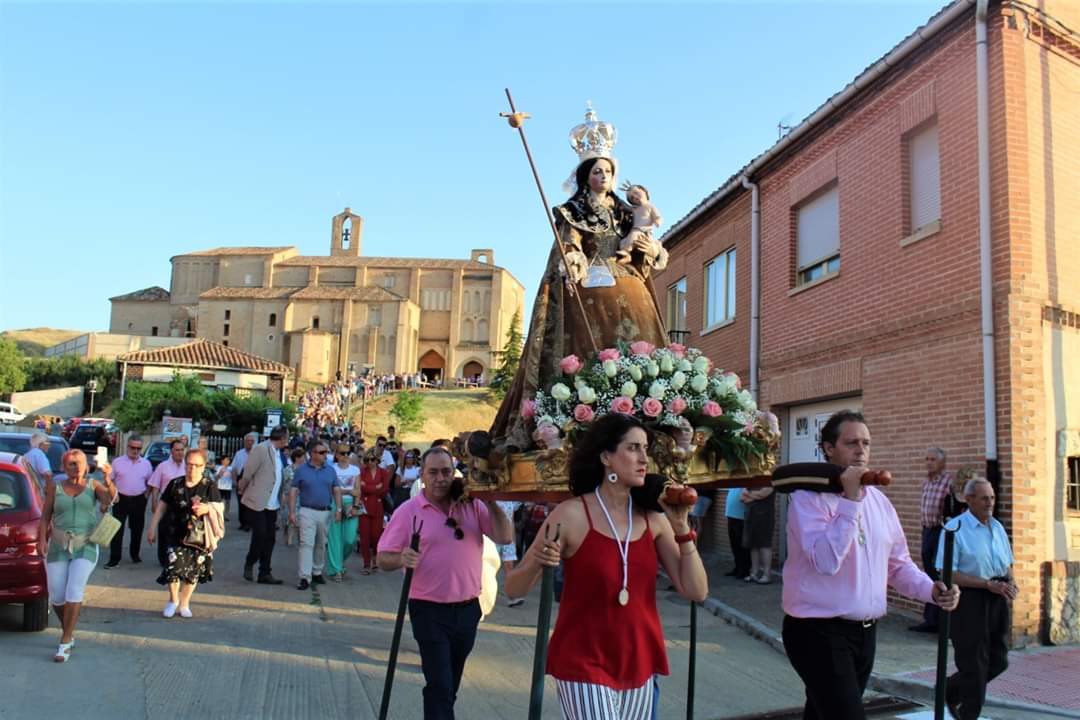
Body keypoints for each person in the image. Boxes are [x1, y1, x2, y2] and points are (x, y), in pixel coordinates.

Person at [488, 110, 669, 453]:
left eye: (608, 171)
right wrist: (573, 258)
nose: (604, 176)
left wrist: (650, 248)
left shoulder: (626, 212)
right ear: (586, 176)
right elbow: (569, 243)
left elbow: (644, 241)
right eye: (597, 171)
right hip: (592, 288)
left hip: (629, 284)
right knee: (591, 350)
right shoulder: (573, 211)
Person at [506, 414, 708, 720]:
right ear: (606, 457)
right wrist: (538, 560)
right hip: (582, 659)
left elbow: (696, 591)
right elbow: (513, 589)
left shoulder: (654, 519)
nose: (644, 458)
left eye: (645, 449)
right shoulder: (570, 515)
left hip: (639, 658)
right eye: (633, 448)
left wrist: (681, 528)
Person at [781, 410, 960, 720]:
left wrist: (932, 590)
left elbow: (898, 565)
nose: (860, 450)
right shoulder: (807, 499)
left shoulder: (879, 501)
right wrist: (850, 502)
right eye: (851, 443)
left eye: (866, 443)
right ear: (828, 448)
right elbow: (825, 561)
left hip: (865, 633)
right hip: (817, 631)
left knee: (822, 714)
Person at [376, 447, 514, 720]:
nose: (440, 478)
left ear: (454, 474)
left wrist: (490, 501)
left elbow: (505, 536)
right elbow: (382, 558)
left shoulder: (472, 505)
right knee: (440, 685)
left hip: (468, 610)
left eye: (446, 472)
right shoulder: (408, 512)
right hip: (428, 610)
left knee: (450, 684)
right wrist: (401, 557)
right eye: (433, 472)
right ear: (422, 475)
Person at [937, 478, 1016, 720]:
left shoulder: (997, 527)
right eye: (984, 498)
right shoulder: (955, 529)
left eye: (992, 498)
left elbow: (1007, 563)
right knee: (974, 664)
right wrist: (986, 584)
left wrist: (1011, 583)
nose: (989, 503)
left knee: (999, 660)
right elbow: (947, 573)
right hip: (969, 599)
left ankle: (950, 689)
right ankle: (968, 715)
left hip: (997, 598)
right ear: (969, 499)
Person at [37, 449, 117, 662]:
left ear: (87, 466)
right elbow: (45, 517)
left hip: (86, 545)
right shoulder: (55, 487)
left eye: (80, 462)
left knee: (74, 589)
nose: (76, 467)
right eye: (71, 463)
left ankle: (65, 641)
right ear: (63, 467)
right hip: (58, 545)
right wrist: (41, 540)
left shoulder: (93, 485)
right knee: (57, 596)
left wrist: (108, 479)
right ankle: (69, 630)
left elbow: (111, 499)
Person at [147, 448, 224, 618]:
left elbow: (218, 508)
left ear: (203, 466)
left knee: (192, 571)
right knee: (173, 567)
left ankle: (184, 603)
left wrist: (207, 508)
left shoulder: (209, 486)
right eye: (189, 464)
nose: (192, 468)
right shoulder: (175, 484)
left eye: (197, 465)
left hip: (199, 537)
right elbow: (162, 506)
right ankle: (173, 600)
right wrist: (152, 527)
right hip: (174, 532)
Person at [910, 447, 955, 633]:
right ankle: (930, 620)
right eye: (927, 459)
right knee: (928, 574)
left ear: (942, 462)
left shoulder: (949, 482)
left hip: (940, 532)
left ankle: (944, 623)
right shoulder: (926, 482)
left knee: (939, 574)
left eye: (933, 459)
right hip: (927, 530)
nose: (929, 463)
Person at [288, 440, 344, 590]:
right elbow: (293, 490)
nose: (325, 455)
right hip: (307, 511)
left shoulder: (330, 470)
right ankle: (304, 577)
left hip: (325, 512)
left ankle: (317, 571)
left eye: (326, 452)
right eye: (321, 452)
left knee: (321, 543)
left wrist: (339, 510)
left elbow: (336, 490)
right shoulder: (301, 470)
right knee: (306, 544)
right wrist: (292, 512)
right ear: (312, 454)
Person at [237, 426, 290, 585]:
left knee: (270, 538)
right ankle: (250, 561)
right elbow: (248, 472)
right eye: (287, 437)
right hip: (258, 500)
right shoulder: (261, 449)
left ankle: (265, 572)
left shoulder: (279, 453)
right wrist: (242, 488)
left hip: (272, 503)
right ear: (282, 438)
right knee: (260, 534)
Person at [105, 434, 153, 568]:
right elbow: (109, 481)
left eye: (138, 448)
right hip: (120, 499)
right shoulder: (117, 462)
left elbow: (150, 482)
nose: (135, 450)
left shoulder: (146, 464)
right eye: (133, 447)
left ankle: (135, 554)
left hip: (139, 499)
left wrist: (146, 495)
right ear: (127, 446)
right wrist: (110, 497)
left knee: (137, 529)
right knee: (116, 529)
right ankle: (114, 559)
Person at [148, 440, 186, 568]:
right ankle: (163, 559)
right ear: (171, 451)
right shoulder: (163, 466)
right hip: (166, 503)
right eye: (177, 450)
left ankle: (179, 557)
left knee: (181, 531)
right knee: (165, 530)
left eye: (182, 450)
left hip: (183, 504)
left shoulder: (188, 466)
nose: (180, 452)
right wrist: (154, 501)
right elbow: (155, 485)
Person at [326, 444, 360, 581]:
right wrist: (349, 491)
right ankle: (336, 570)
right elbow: (331, 489)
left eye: (348, 453)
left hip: (351, 504)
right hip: (335, 503)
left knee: (350, 539)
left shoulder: (355, 470)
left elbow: (358, 490)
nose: (345, 456)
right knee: (335, 538)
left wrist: (356, 506)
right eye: (342, 453)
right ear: (336, 454)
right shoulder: (331, 469)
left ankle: (339, 563)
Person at [615, 183, 663, 265]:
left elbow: (657, 216)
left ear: (644, 191)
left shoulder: (649, 206)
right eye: (632, 198)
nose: (635, 197)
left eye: (636, 193)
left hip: (643, 231)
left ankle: (626, 253)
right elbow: (626, 207)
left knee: (633, 236)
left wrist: (657, 221)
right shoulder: (635, 209)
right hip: (635, 230)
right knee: (623, 242)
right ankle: (626, 254)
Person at [358, 451, 389, 574]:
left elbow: (384, 489)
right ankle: (366, 563)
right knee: (364, 537)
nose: (369, 462)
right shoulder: (362, 472)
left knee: (376, 536)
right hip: (364, 507)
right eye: (367, 460)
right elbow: (361, 488)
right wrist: (375, 487)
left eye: (372, 459)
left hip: (377, 506)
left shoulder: (383, 472)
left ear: (377, 460)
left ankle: (375, 558)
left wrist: (368, 487)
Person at [740, 484, 775, 584]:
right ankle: (754, 573)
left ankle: (767, 575)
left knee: (765, 545)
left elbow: (763, 494)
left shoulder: (769, 482)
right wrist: (755, 496)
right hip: (751, 516)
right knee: (753, 545)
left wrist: (749, 494)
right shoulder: (751, 482)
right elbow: (742, 498)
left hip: (765, 517)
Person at [496, 500, 524, 607]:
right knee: (489, 567)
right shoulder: (490, 499)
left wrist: (513, 540)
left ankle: (512, 596)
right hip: (493, 536)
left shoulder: (509, 501)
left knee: (509, 566)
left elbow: (511, 520)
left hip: (508, 538)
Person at [232, 432, 258, 532]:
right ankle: (242, 522)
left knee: (250, 502)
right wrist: (235, 481)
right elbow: (234, 468)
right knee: (241, 502)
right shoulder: (239, 453)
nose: (249, 443)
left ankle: (249, 523)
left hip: (252, 479)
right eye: (248, 441)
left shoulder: (257, 454)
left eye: (251, 441)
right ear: (244, 442)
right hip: (241, 478)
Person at [723, 488, 751, 579]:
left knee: (741, 545)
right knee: (734, 544)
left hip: (741, 516)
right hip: (731, 516)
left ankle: (744, 570)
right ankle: (737, 567)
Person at [214, 455, 234, 521]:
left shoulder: (231, 468)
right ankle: (219, 514)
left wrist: (234, 474)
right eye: (226, 460)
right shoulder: (218, 467)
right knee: (220, 502)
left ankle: (226, 515)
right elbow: (216, 478)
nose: (228, 461)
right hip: (220, 487)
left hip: (228, 487)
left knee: (228, 502)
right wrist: (220, 473)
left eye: (228, 460)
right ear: (222, 461)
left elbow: (234, 477)